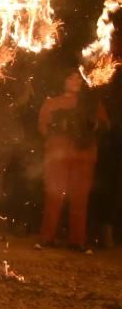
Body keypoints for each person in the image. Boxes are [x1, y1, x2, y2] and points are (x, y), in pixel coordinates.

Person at [37, 69, 109, 251]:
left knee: (80, 199)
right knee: (54, 196)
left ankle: (77, 241)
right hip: (58, 156)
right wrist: (61, 127)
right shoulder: (52, 103)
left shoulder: (91, 104)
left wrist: (91, 126)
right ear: (63, 81)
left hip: (83, 157)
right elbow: (43, 127)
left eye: (79, 78)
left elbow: (104, 126)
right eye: (71, 77)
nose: (75, 81)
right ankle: (47, 238)